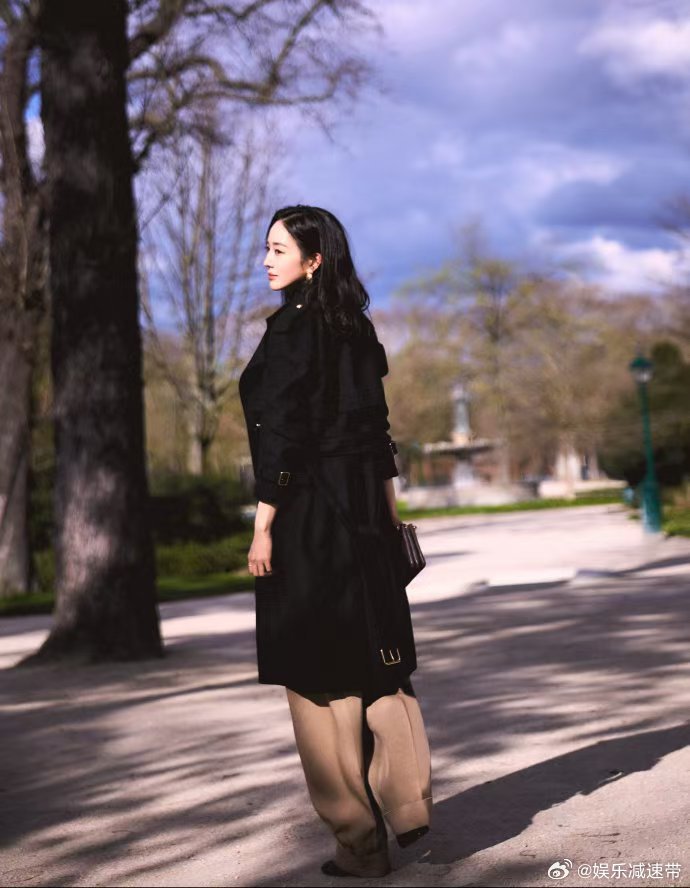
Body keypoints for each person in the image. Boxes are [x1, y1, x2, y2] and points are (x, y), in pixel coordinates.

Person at [238, 205, 432, 878]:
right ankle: (408, 801)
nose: (266, 260)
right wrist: (390, 520)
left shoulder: (293, 331)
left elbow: (283, 437)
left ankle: (359, 842)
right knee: (378, 656)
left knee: (315, 677)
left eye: (277, 249)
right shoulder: (356, 328)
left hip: (309, 518)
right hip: (365, 517)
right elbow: (378, 435)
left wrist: (263, 524)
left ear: (313, 259)